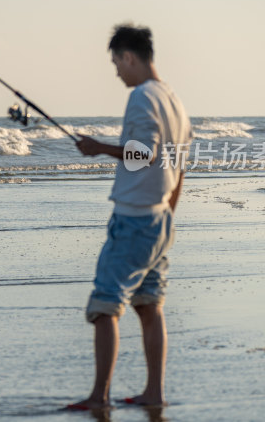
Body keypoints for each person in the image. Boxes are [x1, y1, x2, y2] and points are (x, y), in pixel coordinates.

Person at [67, 25, 192, 411]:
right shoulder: (174, 99)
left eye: (116, 63)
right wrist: (167, 216)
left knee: (105, 305)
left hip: (136, 219)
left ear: (130, 57)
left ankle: (99, 397)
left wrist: (97, 147)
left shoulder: (142, 97)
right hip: (161, 219)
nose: (116, 72)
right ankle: (154, 393)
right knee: (148, 304)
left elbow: (146, 154)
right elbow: (180, 165)